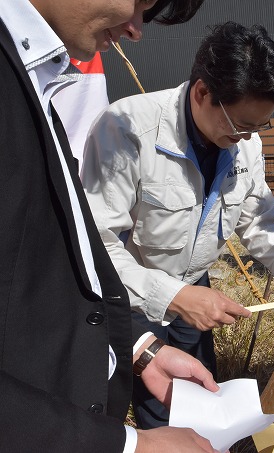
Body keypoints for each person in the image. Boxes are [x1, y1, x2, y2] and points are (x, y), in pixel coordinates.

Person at [0, 0, 228, 452]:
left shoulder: (38, 79)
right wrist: (126, 445)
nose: (136, 29)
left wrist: (140, 350)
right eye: (140, 2)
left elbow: (50, 261)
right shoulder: (128, 123)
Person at [81, 21, 274, 429]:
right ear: (201, 93)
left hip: (196, 287)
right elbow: (97, 247)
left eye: (259, 126)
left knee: (203, 392)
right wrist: (175, 297)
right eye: (242, 124)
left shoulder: (245, 142)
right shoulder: (128, 129)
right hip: (135, 296)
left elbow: (255, 212)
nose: (249, 137)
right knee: (163, 406)